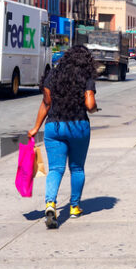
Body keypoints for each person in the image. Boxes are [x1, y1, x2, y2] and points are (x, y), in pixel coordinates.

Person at [27, 45, 98, 229]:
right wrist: (94, 107)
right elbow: (89, 104)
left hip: (54, 127)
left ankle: (50, 204)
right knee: (77, 168)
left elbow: (46, 102)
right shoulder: (86, 77)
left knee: (55, 169)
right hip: (78, 126)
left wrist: (36, 128)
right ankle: (74, 207)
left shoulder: (54, 75)